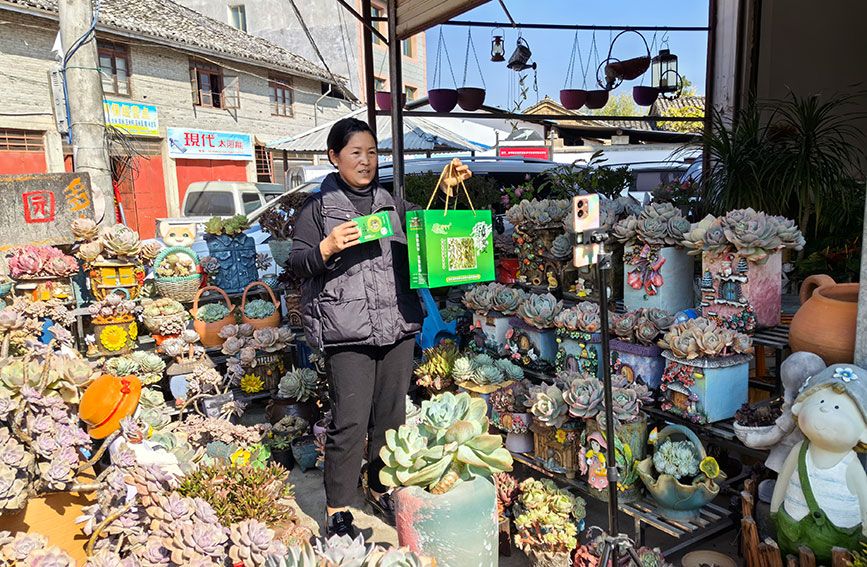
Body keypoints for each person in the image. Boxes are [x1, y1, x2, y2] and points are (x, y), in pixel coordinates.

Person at [286, 117, 424, 538]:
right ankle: (337, 507)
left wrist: (450, 190)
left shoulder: (391, 202)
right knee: (350, 420)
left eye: (372, 153)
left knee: (391, 417)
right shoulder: (317, 209)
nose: (366, 162)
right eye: (355, 153)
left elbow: (423, 239)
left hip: (396, 324)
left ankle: (380, 486)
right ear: (334, 157)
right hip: (347, 331)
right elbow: (294, 265)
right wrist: (326, 247)